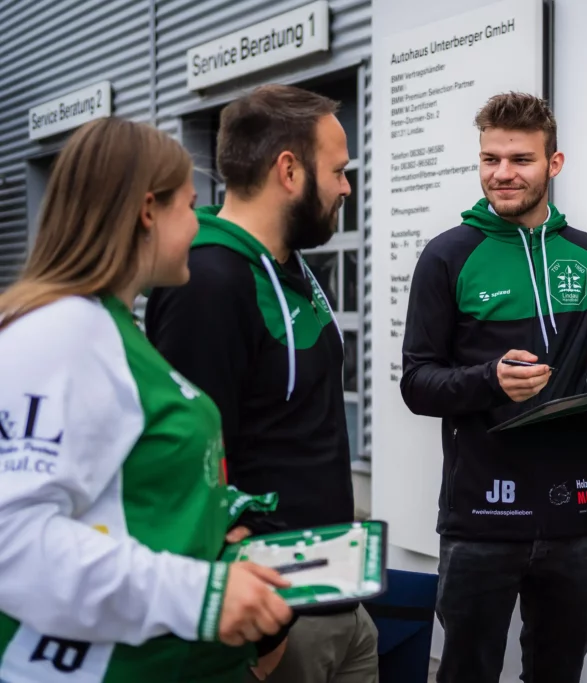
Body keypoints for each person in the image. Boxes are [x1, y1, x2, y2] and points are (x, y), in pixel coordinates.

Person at [0, 118, 293, 682]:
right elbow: (14, 541)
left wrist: (219, 524)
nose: (200, 223)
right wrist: (199, 594)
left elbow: (125, 492)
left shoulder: (109, 325)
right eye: (191, 205)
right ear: (147, 211)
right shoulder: (61, 331)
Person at [401, 92, 587, 683]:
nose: (502, 173)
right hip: (480, 517)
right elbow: (417, 382)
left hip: (574, 514)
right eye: (490, 159)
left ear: (554, 163)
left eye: (520, 159)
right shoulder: (447, 256)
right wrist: (489, 380)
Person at [145, 85, 378, 682]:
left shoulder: (291, 265)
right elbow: (188, 467)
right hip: (273, 613)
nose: (347, 188)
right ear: (289, 171)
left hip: (337, 595)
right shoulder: (208, 283)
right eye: (339, 171)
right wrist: (264, 634)